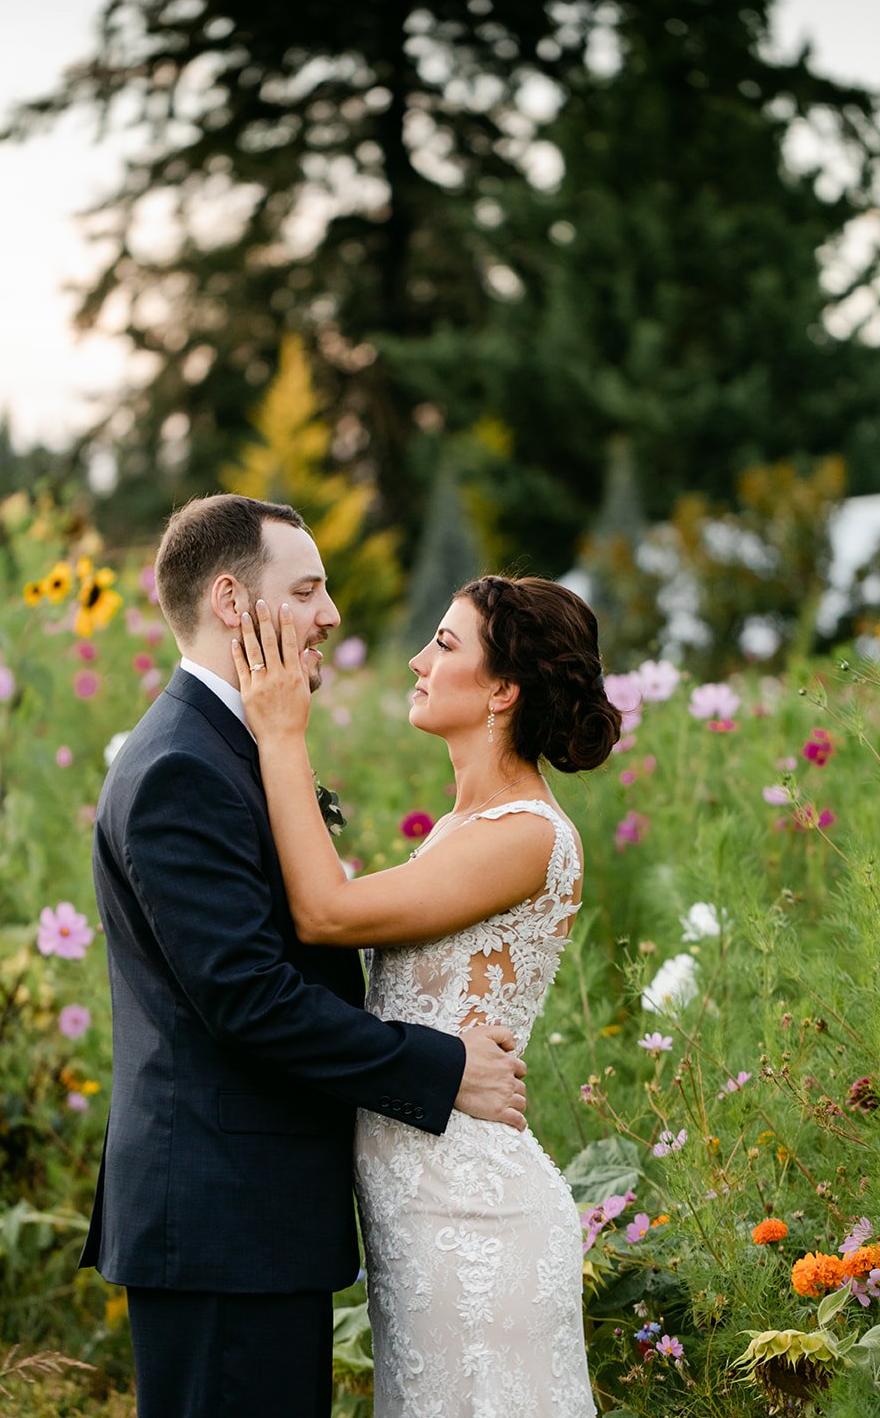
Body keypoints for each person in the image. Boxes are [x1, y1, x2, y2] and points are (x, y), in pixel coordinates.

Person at [78, 495, 527, 1418]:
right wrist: (441, 1070)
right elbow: (248, 998)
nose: (330, 615)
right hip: (220, 1218)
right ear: (235, 602)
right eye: (309, 590)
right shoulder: (182, 768)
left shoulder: (224, 747)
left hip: (248, 1216)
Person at [233, 571, 622, 1418]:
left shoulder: (525, 835)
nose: (416, 659)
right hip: (416, 1220)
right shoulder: (456, 834)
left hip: (476, 1222)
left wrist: (279, 730)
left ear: (502, 690)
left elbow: (324, 911)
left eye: (443, 645)